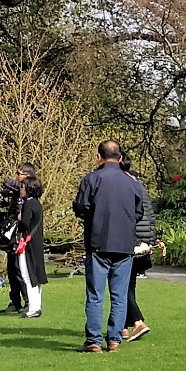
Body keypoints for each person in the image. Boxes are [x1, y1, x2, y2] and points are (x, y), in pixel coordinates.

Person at [73, 140, 154, 353]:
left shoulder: (92, 179)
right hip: (124, 245)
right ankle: (114, 339)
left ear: (99, 157)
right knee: (119, 295)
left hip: (98, 243)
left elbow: (80, 207)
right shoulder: (133, 183)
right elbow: (139, 213)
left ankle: (93, 340)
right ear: (119, 157)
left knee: (95, 294)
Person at [119, 158, 163, 342]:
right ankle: (122, 327)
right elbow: (150, 218)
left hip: (131, 244)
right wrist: (152, 241)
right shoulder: (142, 190)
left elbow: (129, 218)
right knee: (129, 285)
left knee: (122, 286)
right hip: (144, 244)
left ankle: (137, 322)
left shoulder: (127, 190)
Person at [8, 165, 47, 318]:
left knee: (27, 273)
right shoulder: (36, 203)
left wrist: (18, 219)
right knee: (33, 274)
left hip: (28, 242)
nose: (21, 189)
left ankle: (33, 307)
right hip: (35, 241)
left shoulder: (28, 204)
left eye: (23, 187)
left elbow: (24, 223)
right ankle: (35, 305)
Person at [0, 178, 28, 313]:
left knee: (18, 270)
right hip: (10, 237)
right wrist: (2, 193)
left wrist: (4, 189)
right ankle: (15, 301)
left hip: (18, 237)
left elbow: (14, 186)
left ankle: (28, 301)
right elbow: (10, 190)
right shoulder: (13, 195)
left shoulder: (25, 192)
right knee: (12, 270)